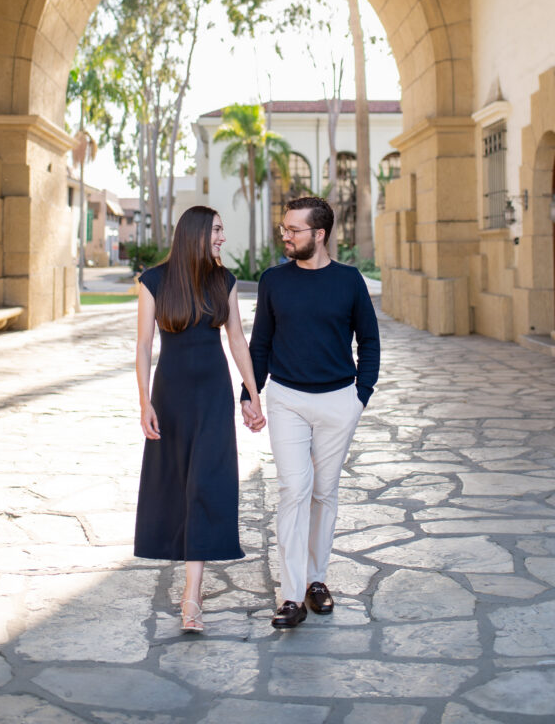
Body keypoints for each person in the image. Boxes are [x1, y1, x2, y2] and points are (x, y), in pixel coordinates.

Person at [242, 196, 380, 628]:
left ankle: (316, 580)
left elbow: (370, 341)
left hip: (339, 401)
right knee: (295, 490)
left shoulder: (350, 281)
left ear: (319, 235)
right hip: (287, 398)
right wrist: (249, 393)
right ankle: (290, 596)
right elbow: (260, 342)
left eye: (294, 230)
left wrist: (361, 395)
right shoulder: (273, 280)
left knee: (324, 492)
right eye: (284, 228)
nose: (285, 235)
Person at [135, 205, 265, 632]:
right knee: (175, 485)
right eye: (216, 230)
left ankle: (192, 595)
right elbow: (142, 348)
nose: (222, 238)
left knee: (205, 484)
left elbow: (237, 341)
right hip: (169, 396)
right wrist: (144, 402)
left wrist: (251, 392)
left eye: (222, 231)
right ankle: (189, 588)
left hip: (212, 395)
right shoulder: (153, 281)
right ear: (195, 233)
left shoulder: (222, 280)